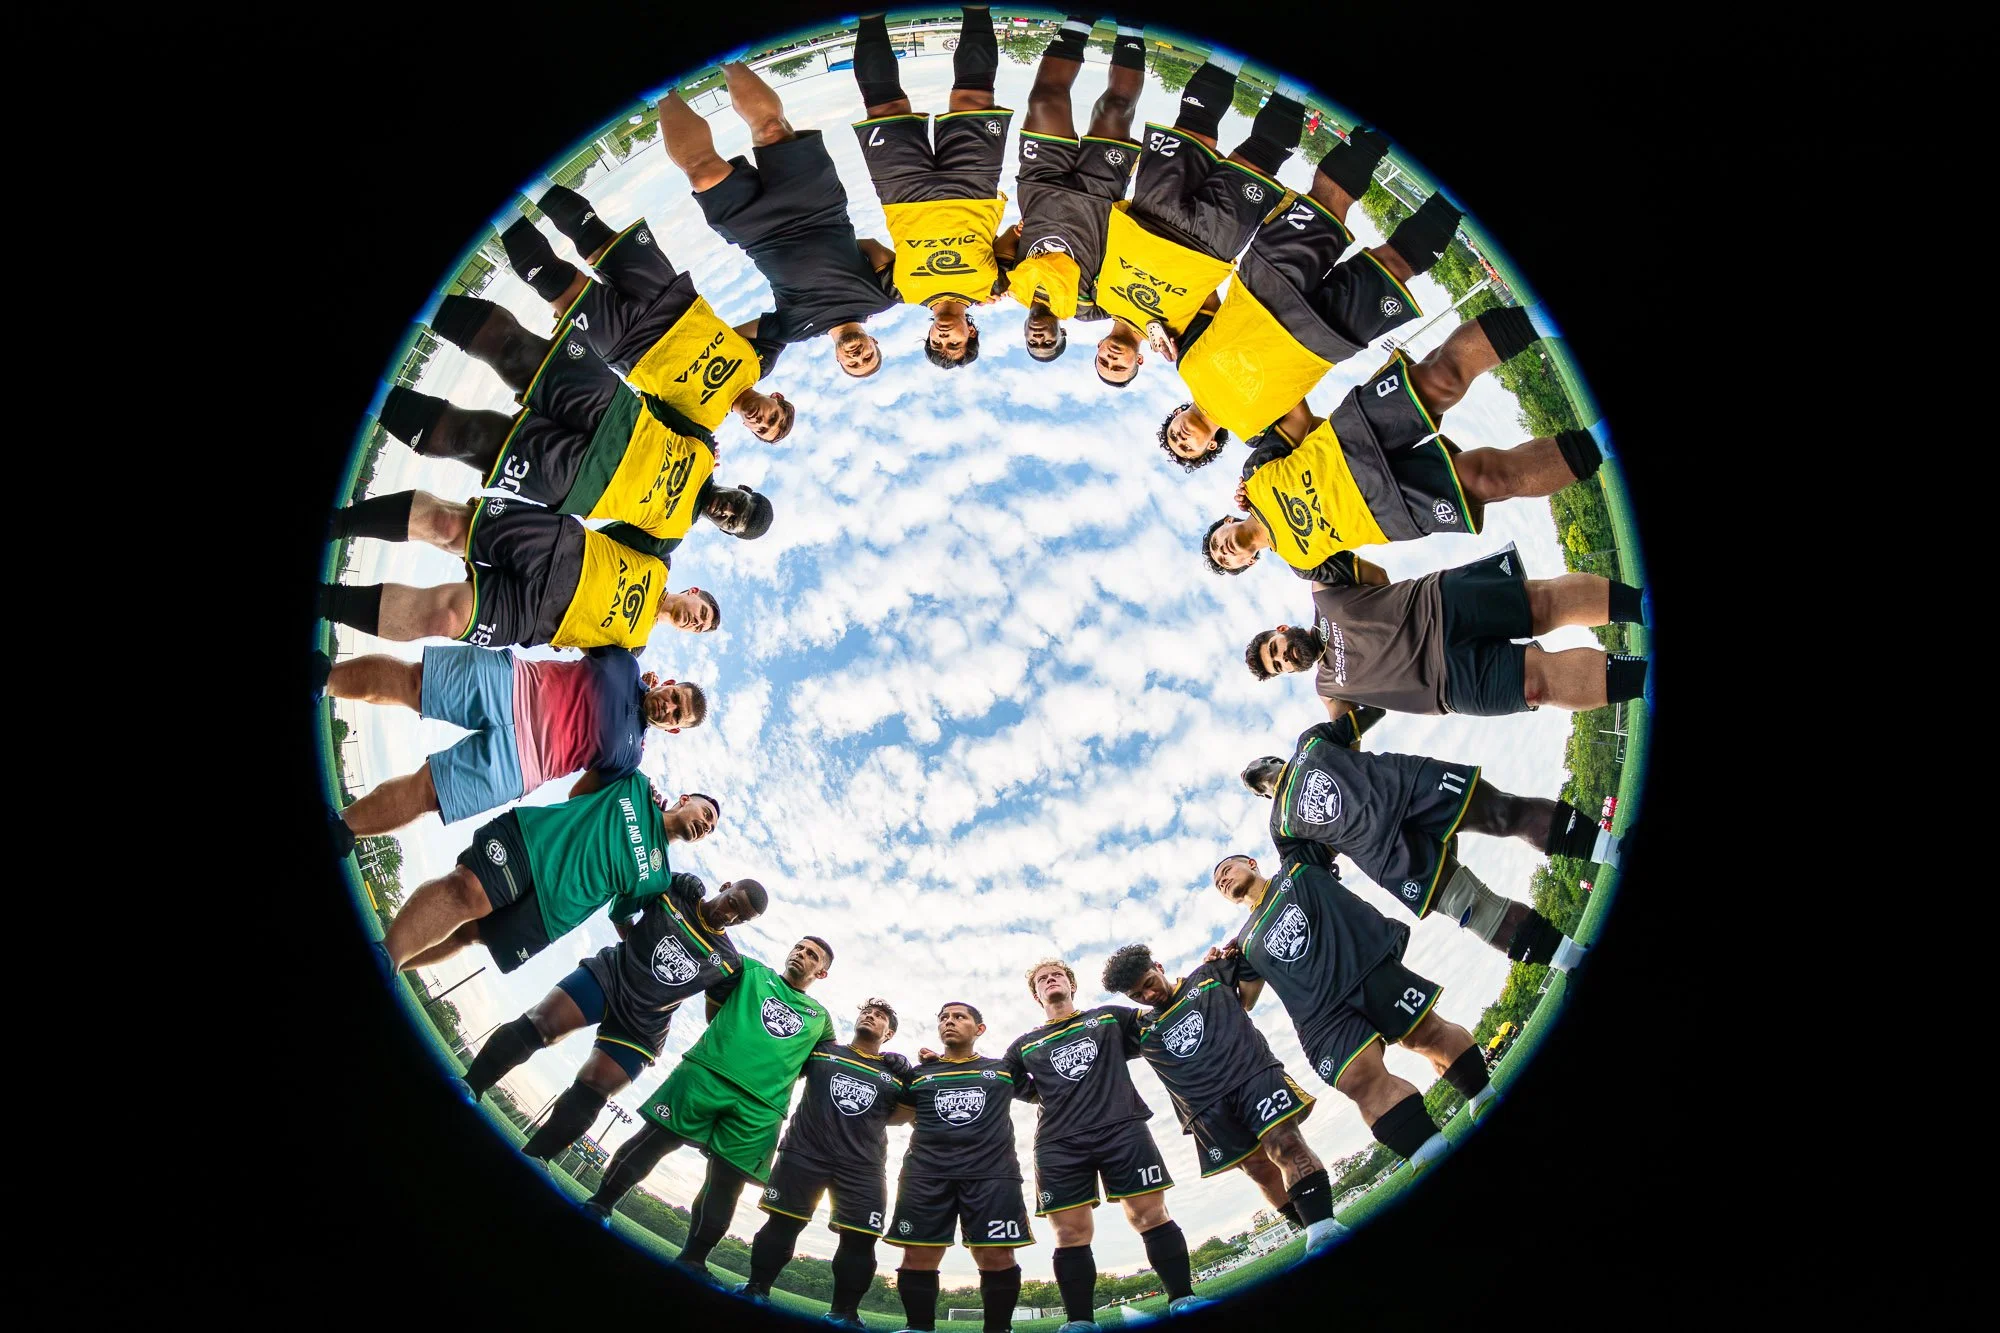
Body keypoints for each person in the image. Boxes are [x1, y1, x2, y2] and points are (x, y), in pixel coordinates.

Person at [1202, 303, 1602, 576]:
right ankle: (1601, 444)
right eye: (1226, 561)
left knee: (1442, 378)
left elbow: (1299, 416)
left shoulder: (1252, 474)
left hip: (1350, 440)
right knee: (1492, 481)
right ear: (1248, 565)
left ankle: (1539, 320)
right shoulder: (1303, 565)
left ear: (1225, 521)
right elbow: (1371, 585)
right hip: (1387, 510)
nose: (1225, 551)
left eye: (1217, 544)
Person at [370, 294, 775, 559]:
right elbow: (658, 394)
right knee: (514, 349)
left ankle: (377, 401)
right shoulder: (704, 444)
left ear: (724, 530)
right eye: (737, 506)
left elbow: (592, 552)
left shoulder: (666, 540)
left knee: (468, 436)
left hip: (574, 481)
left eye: (730, 523)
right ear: (742, 490)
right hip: (608, 409)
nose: (726, 512)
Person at [1155, 132, 1464, 467]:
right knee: (1395, 264)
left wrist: (1159, 321)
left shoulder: (1183, 360)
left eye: (1173, 434)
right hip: (1320, 339)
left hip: (1265, 286)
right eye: (1187, 448)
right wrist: (1256, 482)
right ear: (1211, 446)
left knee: (1326, 200)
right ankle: (1450, 207)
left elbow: (1202, 293)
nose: (1181, 438)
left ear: (1174, 414)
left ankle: (1370, 139)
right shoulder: (1254, 434)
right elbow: (1302, 424)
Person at [1206, 851, 1498, 1182]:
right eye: (1219, 884)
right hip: (1321, 1015)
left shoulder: (1298, 866)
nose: (1224, 880)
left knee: (1426, 1035)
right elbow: (1246, 1000)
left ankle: (1483, 1096)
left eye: (1227, 870)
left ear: (1252, 864)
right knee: (1358, 1081)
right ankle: (1430, 1151)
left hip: (1362, 970)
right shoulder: (1244, 942)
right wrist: (1219, 969)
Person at [1244, 712, 1604, 966]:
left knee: (1505, 812)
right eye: (1258, 787)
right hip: (1387, 855)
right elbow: (1303, 877)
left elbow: (1368, 711)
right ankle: (1572, 961)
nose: (1261, 782)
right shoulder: (1281, 826)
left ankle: (1613, 848)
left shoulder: (1311, 741)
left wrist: (1341, 701)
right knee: (1472, 909)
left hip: (1406, 785)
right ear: (1263, 798)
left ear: (1274, 759)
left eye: (1260, 772)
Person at [579, 938, 840, 1285]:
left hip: (760, 1106)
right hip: (707, 1074)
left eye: (812, 955)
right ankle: (600, 1204)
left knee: (726, 1185)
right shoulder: (749, 970)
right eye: (799, 947)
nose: (801, 955)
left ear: (820, 973)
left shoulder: (821, 1019)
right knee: (655, 1140)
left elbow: (821, 1066)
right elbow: (713, 1003)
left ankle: (693, 1259)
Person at [459, 872, 767, 1163]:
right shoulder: (674, 891)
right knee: (542, 1023)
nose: (730, 916)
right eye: (732, 903)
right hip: (612, 975)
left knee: (595, 1087)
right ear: (726, 886)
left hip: (645, 1024)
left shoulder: (728, 961)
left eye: (741, 918)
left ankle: (535, 1159)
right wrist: (665, 884)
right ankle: (470, 1086)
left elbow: (715, 1014)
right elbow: (620, 907)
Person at [1100, 942, 1346, 1258]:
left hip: (1253, 1077)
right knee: (1260, 1171)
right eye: (1136, 996)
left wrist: (1234, 953)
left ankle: (1324, 1228)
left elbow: (1251, 976)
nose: (1147, 996)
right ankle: (1318, 1230)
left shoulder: (1208, 975)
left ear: (1159, 967)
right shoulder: (1139, 1029)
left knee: (1285, 1144)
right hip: (1206, 1110)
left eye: (1148, 983)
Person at [492, 187, 796, 441]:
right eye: (772, 416)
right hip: (669, 298)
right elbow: (787, 323)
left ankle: (501, 213)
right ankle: (535, 182)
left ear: (748, 429)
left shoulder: (701, 425)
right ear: (777, 398)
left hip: (626, 343)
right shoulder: (758, 362)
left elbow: (657, 438)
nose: (762, 421)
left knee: (550, 277)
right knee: (589, 229)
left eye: (761, 429)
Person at [318, 644, 704, 841]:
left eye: (676, 715)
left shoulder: (630, 758)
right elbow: (574, 631)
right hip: (511, 685)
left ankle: (341, 829)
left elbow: (580, 795)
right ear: (670, 683)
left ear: (672, 729)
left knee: (428, 794)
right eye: (675, 697)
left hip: (519, 766)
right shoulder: (626, 662)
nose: (668, 707)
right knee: (415, 684)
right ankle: (323, 679)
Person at [655, 62, 897, 376]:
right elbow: (874, 247)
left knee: (702, 173)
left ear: (838, 360)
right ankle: (728, 60)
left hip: (757, 234)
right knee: (772, 129)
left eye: (852, 364)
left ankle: (662, 95)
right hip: (818, 209)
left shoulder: (793, 331)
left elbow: (730, 339)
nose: (858, 356)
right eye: (868, 357)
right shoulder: (882, 299)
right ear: (874, 341)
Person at [999, 958, 1201, 1329]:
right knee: (1069, 1232)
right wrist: (1043, 1094)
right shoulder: (1024, 1045)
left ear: (1071, 985)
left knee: (1149, 1215)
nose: (1050, 981)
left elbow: (1158, 1024)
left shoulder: (1109, 1018)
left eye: (1057, 975)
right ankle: (1080, 1321)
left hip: (1122, 1127)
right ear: (1035, 994)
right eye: (1042, 979)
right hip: (1058, 1142)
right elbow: (1004, 1082)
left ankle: (1183, 1298)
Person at [1091, 54, 1308, 388]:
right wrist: (1183, 336)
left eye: (1103, 360)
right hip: (1211, 239)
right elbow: (1208, 299)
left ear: (1098, 346)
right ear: (1139, 361)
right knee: (1266, 151)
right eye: (1118, 367)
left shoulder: (1096, 298)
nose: (1112, 358)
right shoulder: (1174, 338)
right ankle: (1296, 89)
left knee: (1195, 117)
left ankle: (1226, 55)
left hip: (1150, 210)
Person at [1242, 545, 1651, 718]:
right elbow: (1343, 744)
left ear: (1281, 630)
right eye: (1278, 666)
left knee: (1543, 604)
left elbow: (1369, 572)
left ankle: (1640, 606)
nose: (1284, 657)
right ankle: (1644, 680)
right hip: (1449, 685)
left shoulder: (1323, 592)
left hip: (1441, 604)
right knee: (1538, 688)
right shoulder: (1329, 690)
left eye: (1276, 649)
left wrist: (1257, 529)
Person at [376, 775, 719, 973]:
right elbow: (580, 791)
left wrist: (641, 946)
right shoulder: (636, 784)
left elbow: (621, 915)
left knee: (470, 935)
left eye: (710, 828)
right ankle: (383, 954)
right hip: (537, 843)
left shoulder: (659, 878)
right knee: (464, 891)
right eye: (705, 813)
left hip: (551, 914)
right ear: (685, 799)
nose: (705, 824)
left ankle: (392, 969)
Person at [318, 491, 719, 651]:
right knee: (449, 525)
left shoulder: (634, 647)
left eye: (697, 628)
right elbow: (660, 508)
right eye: (701, 613)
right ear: (694, 591)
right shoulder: (660, 558)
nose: (693, 621)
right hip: (559, 548)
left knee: (445, 618)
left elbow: (607, 686)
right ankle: (341, 523)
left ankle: (327, 601)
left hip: (537, 618)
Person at [736, 998, 915, 1330]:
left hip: (862, 1166)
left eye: (880, 1017)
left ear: (888, 1033)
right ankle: (756, 1288)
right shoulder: (822, 1050)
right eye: (867, 1012)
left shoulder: (896, 1073)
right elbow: (782, 1060)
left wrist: (905, 1078)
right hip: (804, 1153)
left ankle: (844, 1313)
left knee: (859, 1240)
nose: (871, 1017)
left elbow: (904, 1116)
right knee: (783, 1224)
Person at [848, 7, 1010, 368]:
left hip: (902, 192)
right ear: (972, 333)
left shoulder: (901, 292)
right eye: (954, 345)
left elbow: (870, 247)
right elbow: (1016, 236)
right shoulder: (993, 288)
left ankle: (870, 19)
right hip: (974, 188)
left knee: (884, 104)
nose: (943, 339)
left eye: (936, 345)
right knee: (974, 98)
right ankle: (977, 10)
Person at [992, 15, 1147, 363]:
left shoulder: (1012, 288)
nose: (1039, 339)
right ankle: (1132, 28)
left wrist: (1015, 234)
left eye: (1033, 345)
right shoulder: (1090, 309)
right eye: (1049, 344)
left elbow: (1002, 245)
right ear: (1063, 334)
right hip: (1098, 192)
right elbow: (1131, 300)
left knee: (1045, 99)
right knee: (1116, 109)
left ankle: (1079, 19)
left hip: (1040, 184)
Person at [887, 1001, 1032, 1333]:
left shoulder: (1002, 1070)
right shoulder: (920, 1074)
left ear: (979, 1029)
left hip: (992, 1174)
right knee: (918, 1256)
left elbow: (1044, 1092)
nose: (948, 1022)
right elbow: (895, 1118)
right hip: (925, 1173)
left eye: (958, 1016)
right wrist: (891, 1073)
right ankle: (918, 1327)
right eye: (943, 1018)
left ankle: (999, 1329)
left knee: (996, 1257)